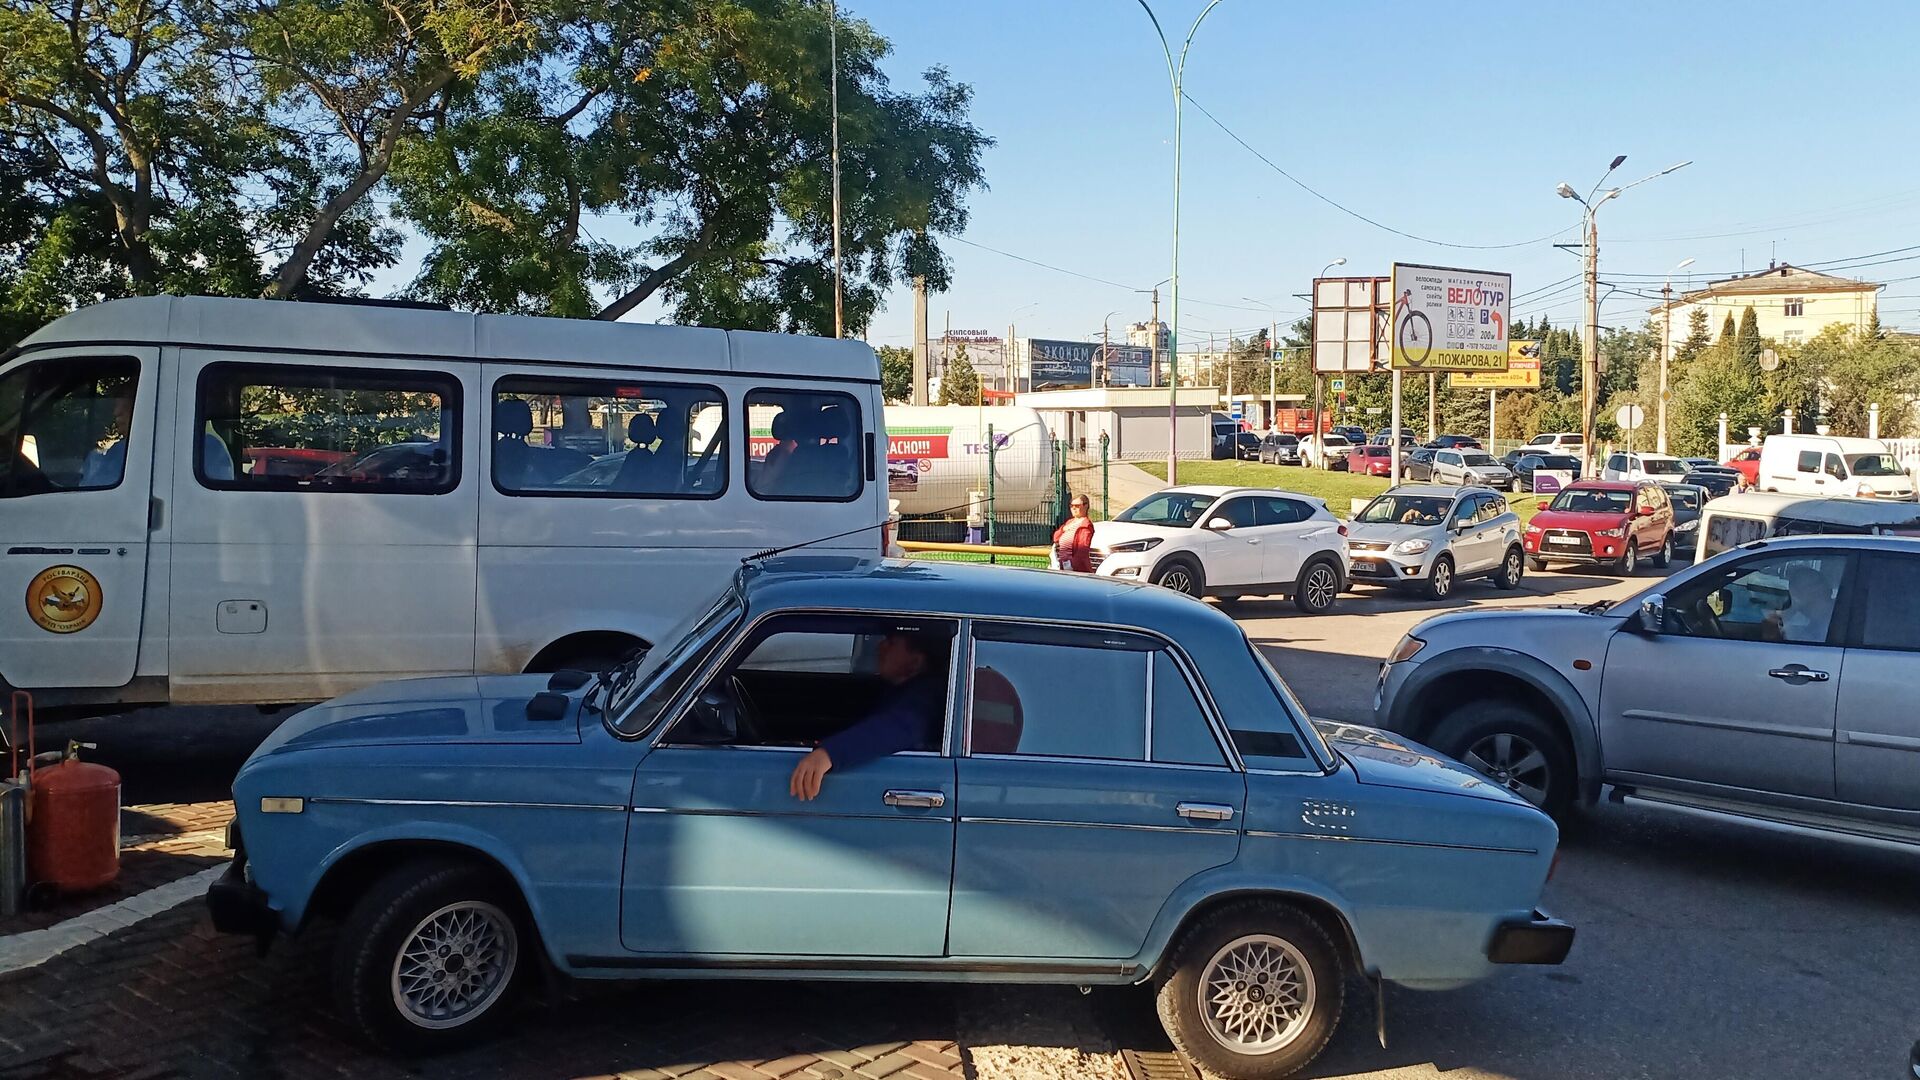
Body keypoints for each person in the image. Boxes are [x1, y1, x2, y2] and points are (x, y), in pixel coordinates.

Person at [789, 631, 946, 800]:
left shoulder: (925, 698)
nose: (881, 646)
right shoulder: (898, 690)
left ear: (915, 662)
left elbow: (897, 727)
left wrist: (829, 754)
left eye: (891, 642)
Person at [1764, 563, 1838, 644]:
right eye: (1810, 586)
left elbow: (1769, 636)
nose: (1818, 589)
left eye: (1817, 584)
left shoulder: (1835, 622)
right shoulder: (1810, 623)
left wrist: (1792, 607)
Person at [1053, 494, 1095, 572]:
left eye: (1077, 506)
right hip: (1064, 566)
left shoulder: (1086, 525)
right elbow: (1055, 538)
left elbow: (1082, 550)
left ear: (1085, 506)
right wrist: (1063, 529)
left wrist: (1071, 565)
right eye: (1071, 506)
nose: (1073, 508)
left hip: (1077, 569)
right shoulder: (1069, 522)